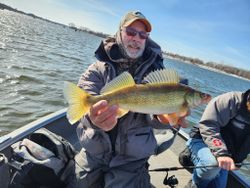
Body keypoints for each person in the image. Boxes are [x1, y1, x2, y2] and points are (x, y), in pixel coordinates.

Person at [70, 11, 188, 188]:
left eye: (143, 35)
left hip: (132, 160)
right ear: (119, 32)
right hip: (93, 152)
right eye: (131, 32)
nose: (137, 38)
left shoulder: (157, 74)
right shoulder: (97, 69)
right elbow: (83, 111)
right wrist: (93, 119)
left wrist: (163, 119)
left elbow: (154, 116)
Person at [185, 89, 250, 188]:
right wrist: (221, 153)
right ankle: (194, 183)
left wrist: (238, 160)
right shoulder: (230, 100)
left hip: (225, 155)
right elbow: (208, 125)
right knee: (211, 165)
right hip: (201, 141)